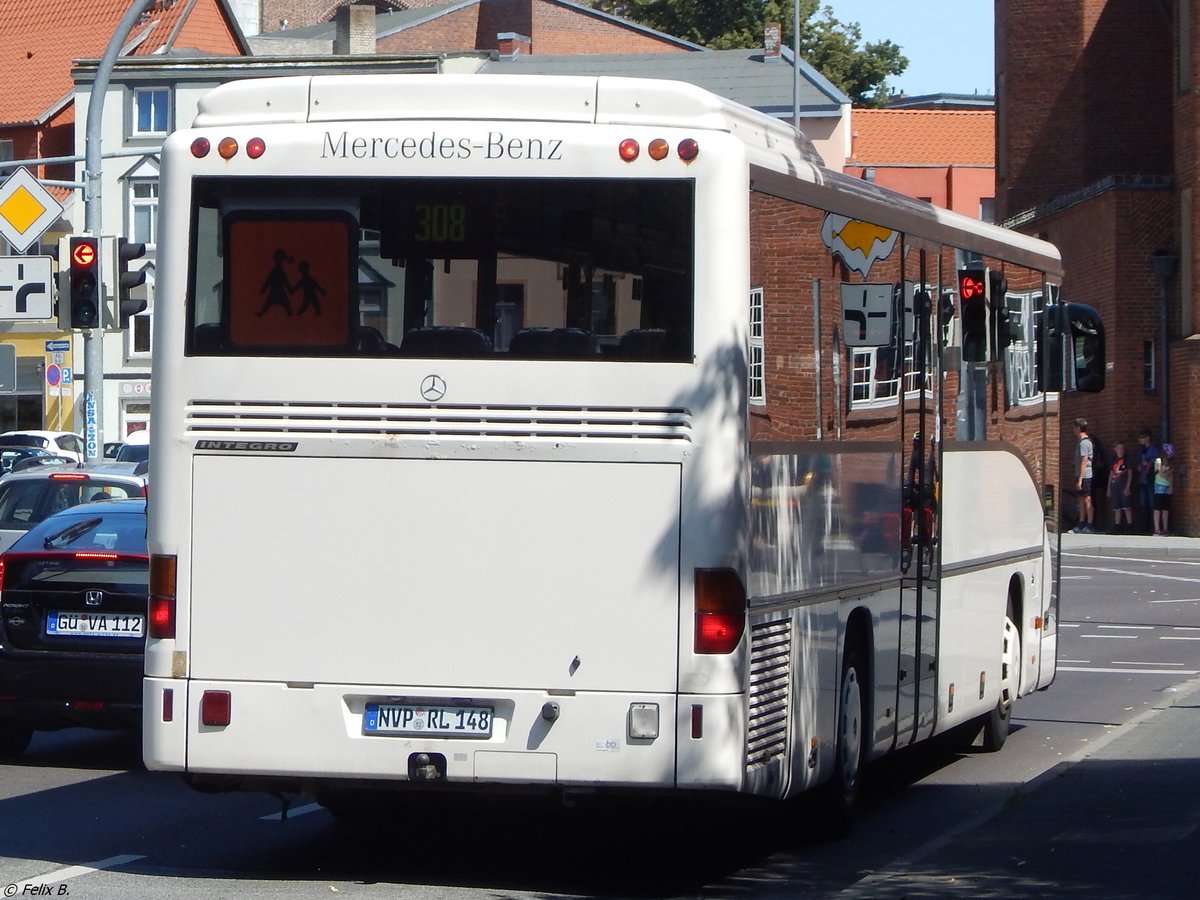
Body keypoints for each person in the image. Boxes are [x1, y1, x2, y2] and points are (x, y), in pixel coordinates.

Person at [1073, 418, 1095, 533]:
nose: (1073, 429)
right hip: (1080, 475)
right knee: (1081, 499)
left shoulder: (1085, 443)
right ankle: (1081, 523)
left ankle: (1090, 524)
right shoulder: (1080, 442)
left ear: (1078, 428)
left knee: (1087, 499)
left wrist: (1080, 479)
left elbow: (1084, 461)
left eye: (1074, 427)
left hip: (1085, 475)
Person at [1137, 428, 1159, 534]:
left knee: (1151, 503)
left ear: (1148, 438)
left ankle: (1152, 527)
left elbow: (1153, 462)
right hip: (1143, 480)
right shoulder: (1142, 450)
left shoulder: (1153, 450)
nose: (1140, 439)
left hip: (1150, 480)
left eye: (1142, 437)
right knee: (1143, 504)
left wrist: (1147, 464)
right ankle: (1144, 527)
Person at [1108, 441, 1133, 532]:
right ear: (1115, 449)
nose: (1121, 450)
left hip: (1124, 485)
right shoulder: (1113, 460)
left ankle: (1130, 526)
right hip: (1115, 486)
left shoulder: (1127, 459)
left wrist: (1128, 486)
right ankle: (1117, 526)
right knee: (1117, 507)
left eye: (1122, 448)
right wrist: (1109, 487)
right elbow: (1111, 474)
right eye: (1119, 448)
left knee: (1126, 506)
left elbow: (1130, 473)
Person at [1153, 442, 1175, 535]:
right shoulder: (1158, 461)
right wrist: (1168, 473)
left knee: (1166, 508)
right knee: (1158, 508)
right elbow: (1160, 474)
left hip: (1167, 486)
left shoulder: (1170, 462)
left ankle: (1165, 528)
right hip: (1159, 486)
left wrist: (1171, 486)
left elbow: (1171, 475)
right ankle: (1157, 529)